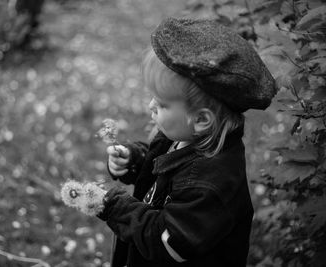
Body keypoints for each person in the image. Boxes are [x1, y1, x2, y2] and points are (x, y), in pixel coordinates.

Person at [98, 17, 277, 267]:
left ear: (202, 119)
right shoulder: (185, 138)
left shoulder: (210, 185)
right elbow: (164, 170)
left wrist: (118, 208)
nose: (150, 105)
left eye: (161, 103)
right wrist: (134, 160)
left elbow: (168, 244)